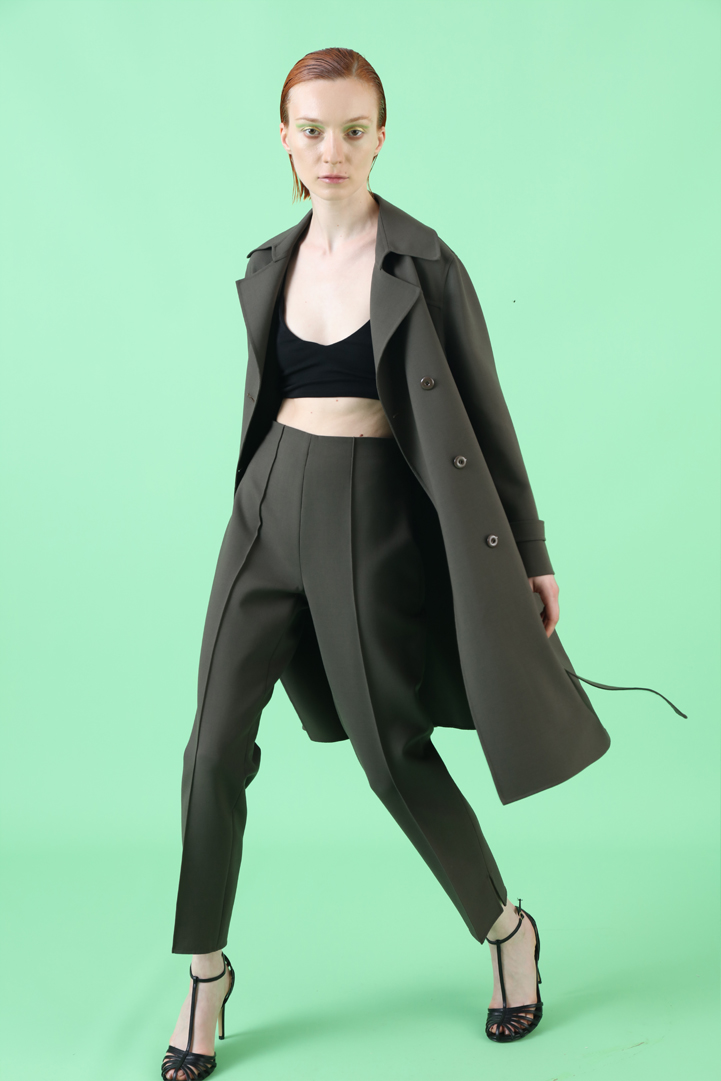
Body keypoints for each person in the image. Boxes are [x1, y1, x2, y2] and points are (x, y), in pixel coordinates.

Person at [160, 47, 685, 1081]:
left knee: (390, 753)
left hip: (367, 514)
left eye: (353, 129)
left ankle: (505, 928)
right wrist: (259, 497)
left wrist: (529, 551)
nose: (332, 149)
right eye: (313, 129)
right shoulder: (269, 262)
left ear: (381, 137)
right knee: (210, 747)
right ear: (284, 138)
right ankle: (204, 971)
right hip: (262, 509)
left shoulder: (423, 262)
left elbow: (485, 411)